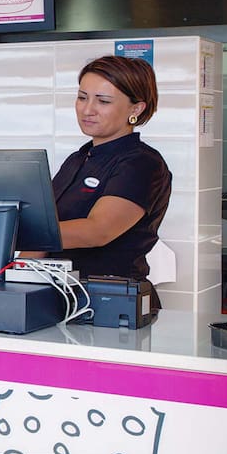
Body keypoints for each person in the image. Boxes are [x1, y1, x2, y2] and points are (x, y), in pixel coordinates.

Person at [51, 55, 171, 291]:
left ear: (136, 108)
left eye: (103, 101)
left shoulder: (142, 163)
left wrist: (13, 231)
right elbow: (44, 229)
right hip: (60, 293)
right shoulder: (77, 159)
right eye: (82, 97)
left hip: (113, 297)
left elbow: (98, 231)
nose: (87, 110)